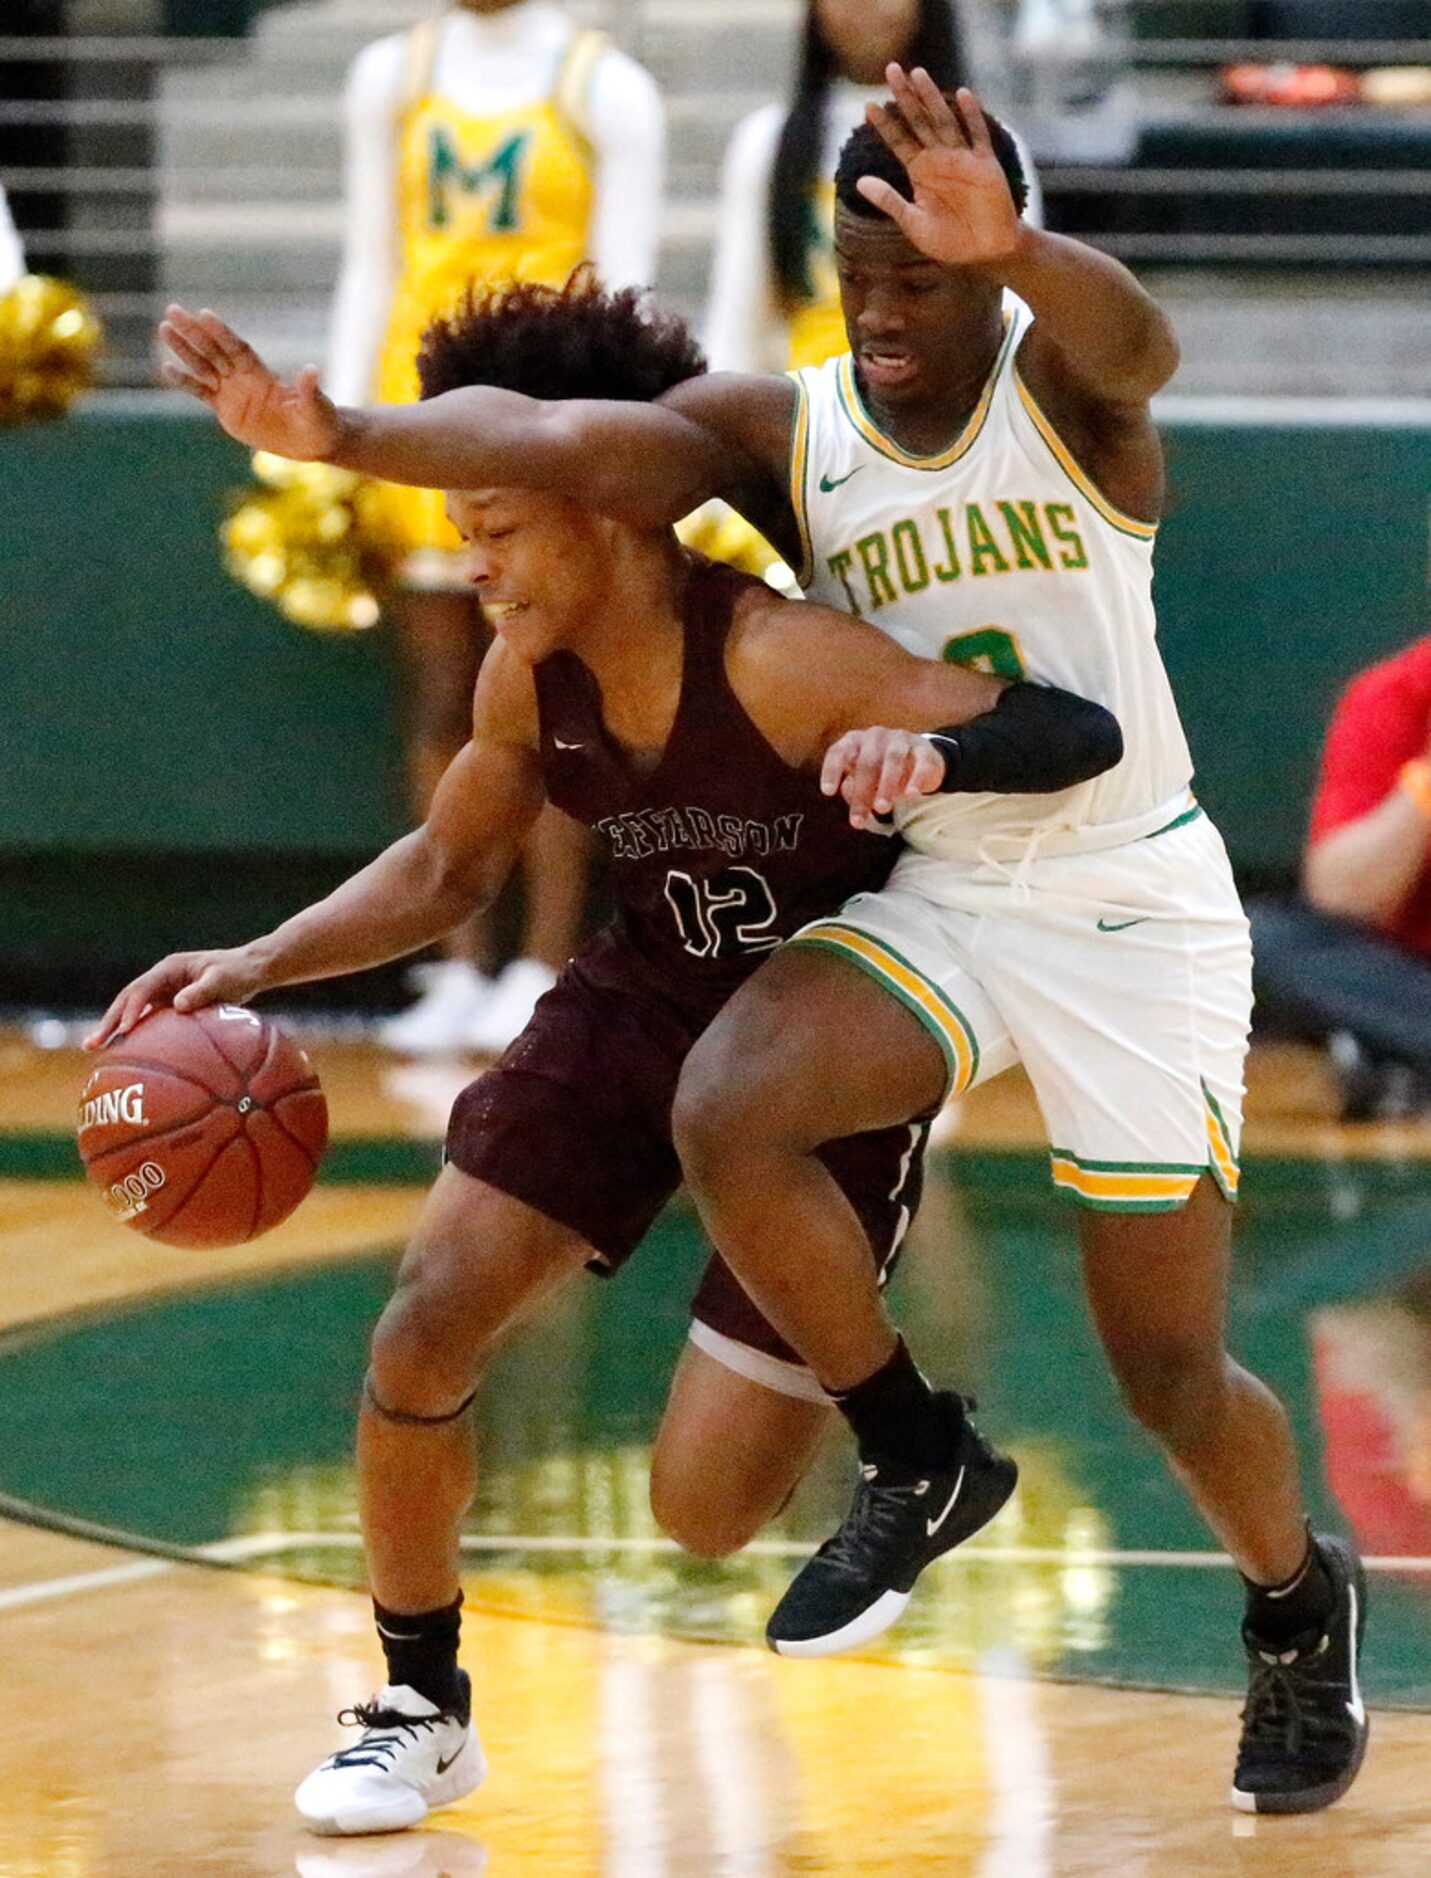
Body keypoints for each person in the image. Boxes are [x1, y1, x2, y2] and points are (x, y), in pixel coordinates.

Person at [150, 70, 1367, 1813]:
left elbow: (1142, 349)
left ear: (989, 275)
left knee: (1165, 1362)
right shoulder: (791, 433)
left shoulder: (1069, 398)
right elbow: (567, 449)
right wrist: (338, 434)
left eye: (922, 279)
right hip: (937, 883)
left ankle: (1288, 1602)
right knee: (732, 1095)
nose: (882, 311)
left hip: (1125, 896)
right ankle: (914, 1446)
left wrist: (1015, 245)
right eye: (857, 276)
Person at [141, 275, 1121, 1837]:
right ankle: (419, 1701)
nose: (474, 558)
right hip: (633, 1006)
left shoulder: (785, 657)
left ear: (607, 506)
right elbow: (446, 869)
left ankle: (913, 1446)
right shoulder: (527, 669)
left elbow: (1071, 729)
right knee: (421, 1329)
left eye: (502, 528)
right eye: (466, 528)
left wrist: (931, 752)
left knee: (701, 1512)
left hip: (813, 1062)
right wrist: (256, 959)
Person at [327, 0, 665, 1056]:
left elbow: (622, 283)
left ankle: (546, 960)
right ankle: (455, 966)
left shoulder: (603, 83)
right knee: (439, 695)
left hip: (542, 427)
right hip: (416, 416)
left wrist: (603, 434)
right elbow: (370, 261)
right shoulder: (394, 74)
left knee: (552, 696)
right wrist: (337, 430)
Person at [706, 0, 1040, 376]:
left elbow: (1016, 316)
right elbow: (736, 326)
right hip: (807, 414)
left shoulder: (987, 152)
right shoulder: (766, 145)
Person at [1250, 634, 1431, 1120]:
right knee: (1253, 941)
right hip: (1408, 979)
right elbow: (1340, 895)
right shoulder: (1393, 694)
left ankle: (1398, 1060)